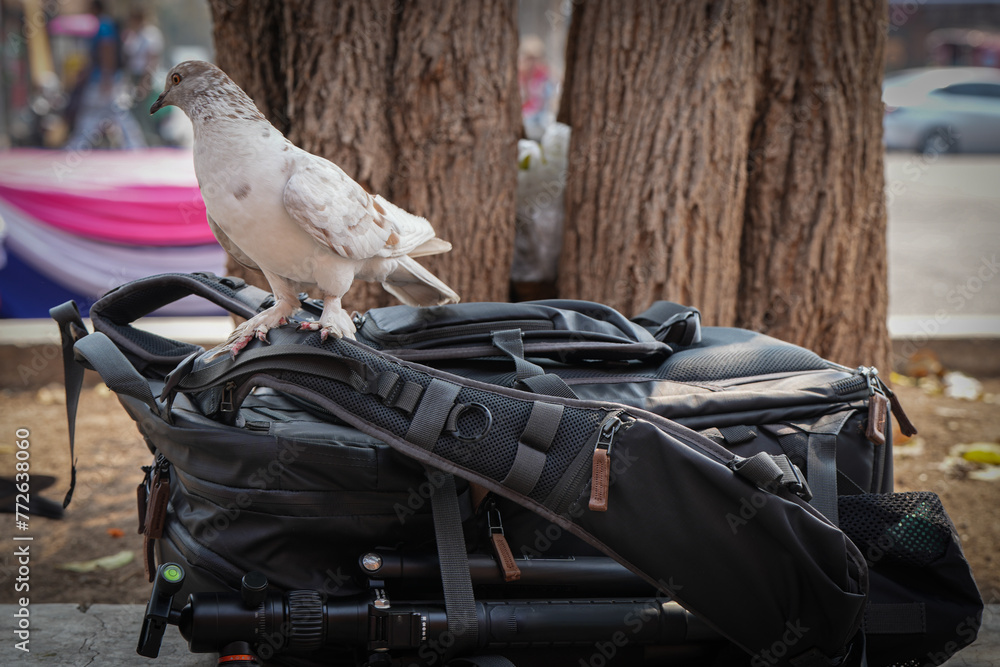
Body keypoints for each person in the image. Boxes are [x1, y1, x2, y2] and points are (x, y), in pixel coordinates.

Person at [64, 0, 146, 150]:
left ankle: (77, 145)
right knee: (112, 113)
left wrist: (106, 78)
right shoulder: (104, 25)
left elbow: (107, 50)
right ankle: (134, 145)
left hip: (103, 79)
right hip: (104, 78)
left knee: (100, 112)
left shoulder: (103, 25)